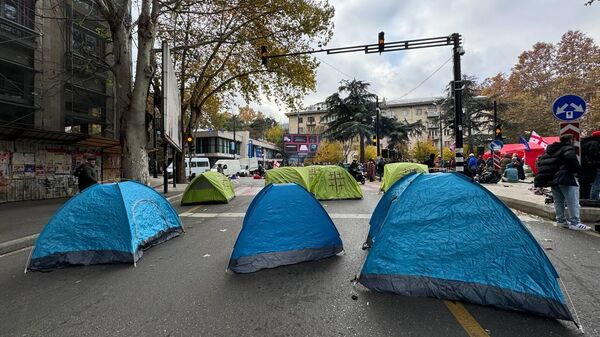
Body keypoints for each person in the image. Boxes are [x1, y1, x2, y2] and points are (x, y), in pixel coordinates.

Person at [534, 134, 590, 231]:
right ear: (571, 140)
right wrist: (577, 171)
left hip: (552, 179)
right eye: (573, 140)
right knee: (572, 201)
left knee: (558, 201)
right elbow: (571, 159)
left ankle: (561, 221)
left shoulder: (550, 150)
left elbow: (540, 162)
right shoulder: (567, 148)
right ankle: (575, 222)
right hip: (565, 177)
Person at [580, 131, 600, 200]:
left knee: (585, 184)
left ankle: (585, 199)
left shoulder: (585, 142)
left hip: (585, 167)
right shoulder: (595, 144)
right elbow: (595, 156)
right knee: (596, 184)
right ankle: (593, 200)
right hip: (593, 167)